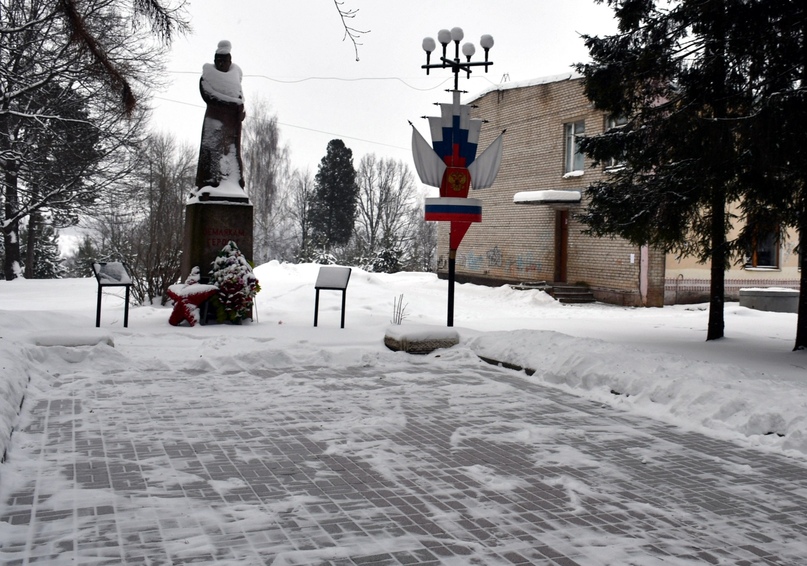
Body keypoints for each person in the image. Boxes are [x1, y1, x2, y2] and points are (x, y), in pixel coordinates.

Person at [195, 40, 246, 191]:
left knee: (231, 153)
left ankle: (233, 184)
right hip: (214, 122)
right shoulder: (207, 76)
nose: (221, 63)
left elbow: (240, 99)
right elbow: (210, 97)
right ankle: (209, 183)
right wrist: (233, 104)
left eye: (224, 60)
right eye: (218, 60)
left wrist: (241, 110)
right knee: (212, 152)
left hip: (231, 126)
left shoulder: (235, 76)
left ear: (230, 61)